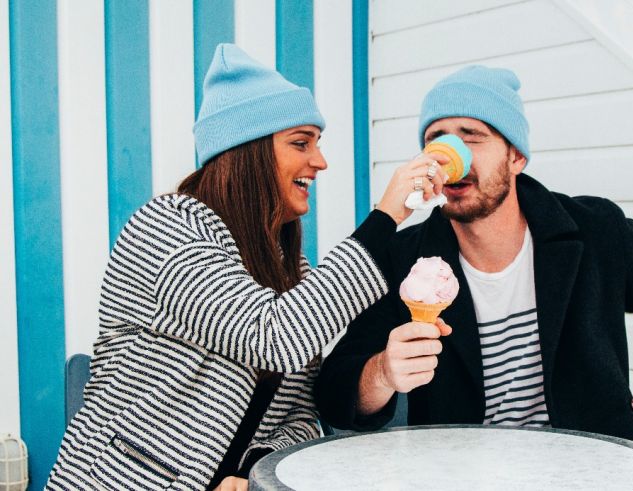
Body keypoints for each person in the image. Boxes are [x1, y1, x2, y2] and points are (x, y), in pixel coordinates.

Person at [47, 44, 448, 491]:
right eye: (301, 142)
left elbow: (299, 409)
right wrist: (386, 216)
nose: (320, 161)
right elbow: (273, 337)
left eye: (318, 143)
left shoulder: (286, 264)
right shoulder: (166, 227)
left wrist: (252, 468)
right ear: (247, 151)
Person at [315, 66, 633, 452]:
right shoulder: (404, 258)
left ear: (516, 157)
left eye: (472, 137)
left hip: (592, 472)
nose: (450, 154)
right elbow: (335, 393)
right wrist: (384, 372)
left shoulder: (597, 231)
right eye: (437, 139)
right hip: (460, 477)